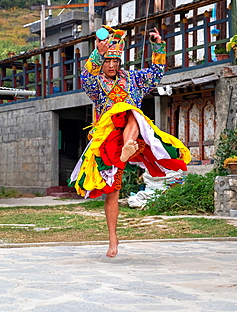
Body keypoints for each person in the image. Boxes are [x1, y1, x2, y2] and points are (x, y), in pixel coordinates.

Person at [69, 26, 191, 258]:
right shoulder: (97, 85)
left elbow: (156, 71)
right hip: (108, 138)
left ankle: (127, 149)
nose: (112, 65)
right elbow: (85, 77)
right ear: (102, 62)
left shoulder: (134, 80)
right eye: (107, 61)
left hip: (132, 137)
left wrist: (157, 45)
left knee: (133, 112)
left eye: (115, 60)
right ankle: (113, 238)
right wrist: (96, 53)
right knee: (112, 193)